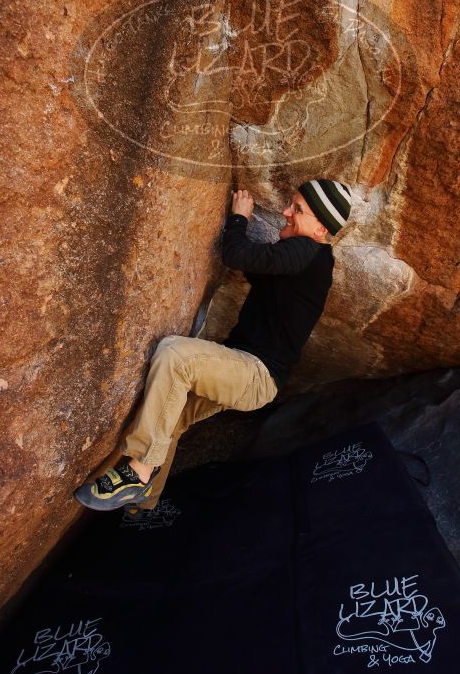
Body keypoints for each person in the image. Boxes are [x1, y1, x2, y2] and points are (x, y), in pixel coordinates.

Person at [74, 179, 352, 511]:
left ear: (321, 228)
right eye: (290, 204)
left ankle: (139, 472)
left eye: (298, 209)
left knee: (176, 356)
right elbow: (256, 267)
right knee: (170, 416)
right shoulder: (305, 261)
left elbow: (237, 254)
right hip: (245, 369)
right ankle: (143, 507)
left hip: (254, 374)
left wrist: (240, 217)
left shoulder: (309, 252)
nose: (285, 212)